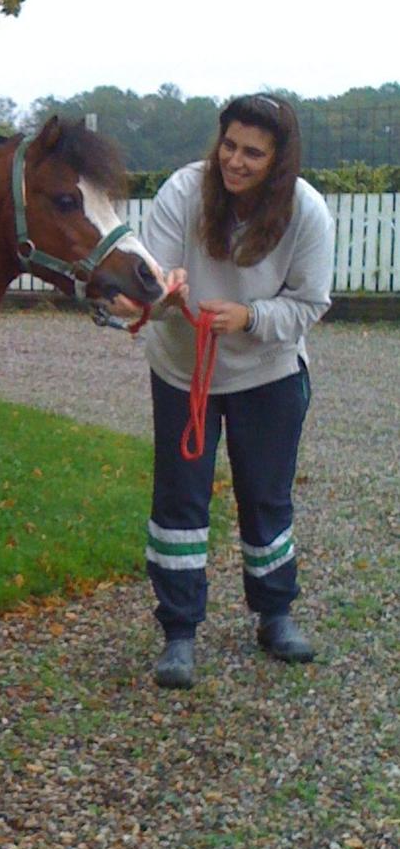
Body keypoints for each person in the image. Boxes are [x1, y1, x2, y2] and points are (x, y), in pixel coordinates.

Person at [110, 94, 335, 688]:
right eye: (229, 145)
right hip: (185, 373)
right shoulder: (183, 193)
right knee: (180, 500)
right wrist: (159, 293)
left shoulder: (307, 212)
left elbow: (310, 305)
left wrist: (252, 316)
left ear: (278, 161)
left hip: (269, 373)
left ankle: (275, 613)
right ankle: (179, 632)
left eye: (253, 153)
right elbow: (148, 289)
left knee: (265, 496)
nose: (235, 161)